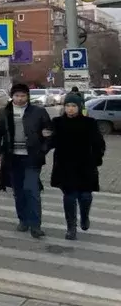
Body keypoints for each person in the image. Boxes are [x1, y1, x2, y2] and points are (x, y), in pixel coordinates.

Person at [0, 83, 53, 238]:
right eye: (17, 95)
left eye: (23, 96)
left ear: (27, 96)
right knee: (18, 192)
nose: (19, 99)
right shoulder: (5, 112)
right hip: (12, 158)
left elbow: (50, 133)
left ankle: (35, 225)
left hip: (32, 158)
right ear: (12, 96)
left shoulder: (38, 112)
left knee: (32, 190)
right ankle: (23, 220)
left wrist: (42, 149)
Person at [48, 93, 105, 240]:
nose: (70, 109)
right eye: (67, 106)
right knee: (69, 197)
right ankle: (71, 227)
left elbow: (99, 144)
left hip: (85, 165)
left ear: (79, 107)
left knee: (85, 196)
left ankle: (84, 217)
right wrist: (44, 141)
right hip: (65, 166)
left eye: (73, 106)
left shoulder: (90, 122)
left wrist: (97, 159)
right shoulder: (57, 122)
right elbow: (51, 142)